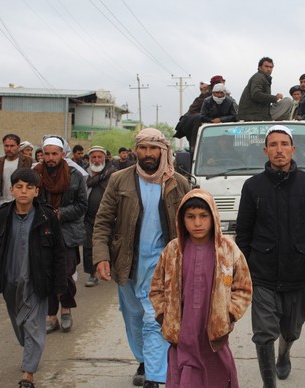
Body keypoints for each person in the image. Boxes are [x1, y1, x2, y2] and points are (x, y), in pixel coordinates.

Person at [93, 128, 190, 388]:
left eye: (153, 148)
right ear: (136, 150)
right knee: (133, 316)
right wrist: (101, 256)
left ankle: (154, 376)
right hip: (127, 262)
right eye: (143, 148)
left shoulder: (177, 183)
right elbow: (103, 221)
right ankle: (145, 359)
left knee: (153, 317)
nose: (148, 153)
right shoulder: (119, 180)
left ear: (163, 150)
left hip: (163, 264)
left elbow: (191, 224)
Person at [236, 125, 305, 387]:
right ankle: (269, 384)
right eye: (273, 145)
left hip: (296, 273)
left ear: (293, 149)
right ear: (265, 151)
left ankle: (285, 353)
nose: (279, 149)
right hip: (262, 272)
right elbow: (243, 234)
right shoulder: (253, 186)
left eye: (284, 144)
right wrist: (240, 271)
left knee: (291, 329)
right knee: (264, 333)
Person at [150, 189, 253, 387]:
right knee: (186, 375)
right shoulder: (172, 251)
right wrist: (164, 316)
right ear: (182, 219)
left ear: (213, 216)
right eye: (191, 217)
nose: (197, 223)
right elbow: (156, 288)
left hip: (213, 333)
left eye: (203, 216)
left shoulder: (228, 250)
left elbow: (243, 288)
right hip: (182, 332)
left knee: (217, 375)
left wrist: (228, 314)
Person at [0, 168, 66, 388]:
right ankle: (30, 352)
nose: (23, 191)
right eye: (19, 187)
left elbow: (58, 252)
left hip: (37, 282)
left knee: (34, 325)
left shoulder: (46, 216)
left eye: (29, 187)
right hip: (9, 282)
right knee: (20, 325)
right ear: (11, 190)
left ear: (37, 192)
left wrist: (59, 283)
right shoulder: (1, 216)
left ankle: (28, 373)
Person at [34, 136, 87, 334]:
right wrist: (45, 214)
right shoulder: (35, 175)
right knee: (46, 275)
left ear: (62, 155)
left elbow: (82, 205)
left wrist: (60, 214)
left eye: (54, 154)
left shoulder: (75, 176)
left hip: (68, 232)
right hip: (43, 232)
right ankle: (51, 316)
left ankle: (66, 310)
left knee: (65, 274)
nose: (50, 158)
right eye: (46, 154)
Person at [83, 145, 117, 287]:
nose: (96, 160)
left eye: (99, 157)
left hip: (108, 218)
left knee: (108, 245)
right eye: (94, 157)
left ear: (105, 158)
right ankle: (92, 274)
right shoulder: (84, 174)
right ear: (90, 159)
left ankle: (109, 269)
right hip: (88, 218)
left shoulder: (113, 174)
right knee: (88, 246)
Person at [0, 134, 33, 217]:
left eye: (12, 146)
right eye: (6, 146)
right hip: (1, 205)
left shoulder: (28, 161)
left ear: (18, 146)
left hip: (21, 206)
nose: (9, 149)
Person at [237, 57, 288, 121]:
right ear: (260, 67)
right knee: (288, 101)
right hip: (253, 116)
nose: (269, 69)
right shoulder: (259, 77)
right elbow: (256, 94)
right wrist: (275, 98)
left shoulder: (264, 78)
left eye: (271, 67)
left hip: (256, 116)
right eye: (266, 66)